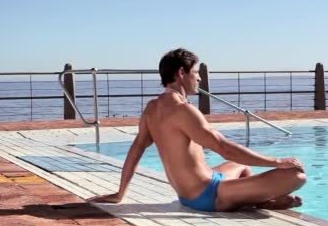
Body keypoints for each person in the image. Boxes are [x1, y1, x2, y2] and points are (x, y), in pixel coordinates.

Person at [87, 48, 307, 212]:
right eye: (196, 72)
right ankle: (256, 201)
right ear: (182, 73)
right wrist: (277, 161)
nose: (199, 78)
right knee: (296, 176)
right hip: (208, 195)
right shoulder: (183, 110)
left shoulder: (152, 108)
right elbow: (223, 147)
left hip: (189, 194)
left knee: (240, 166)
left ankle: (259, 202)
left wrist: (120, 193)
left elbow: (136, 150)